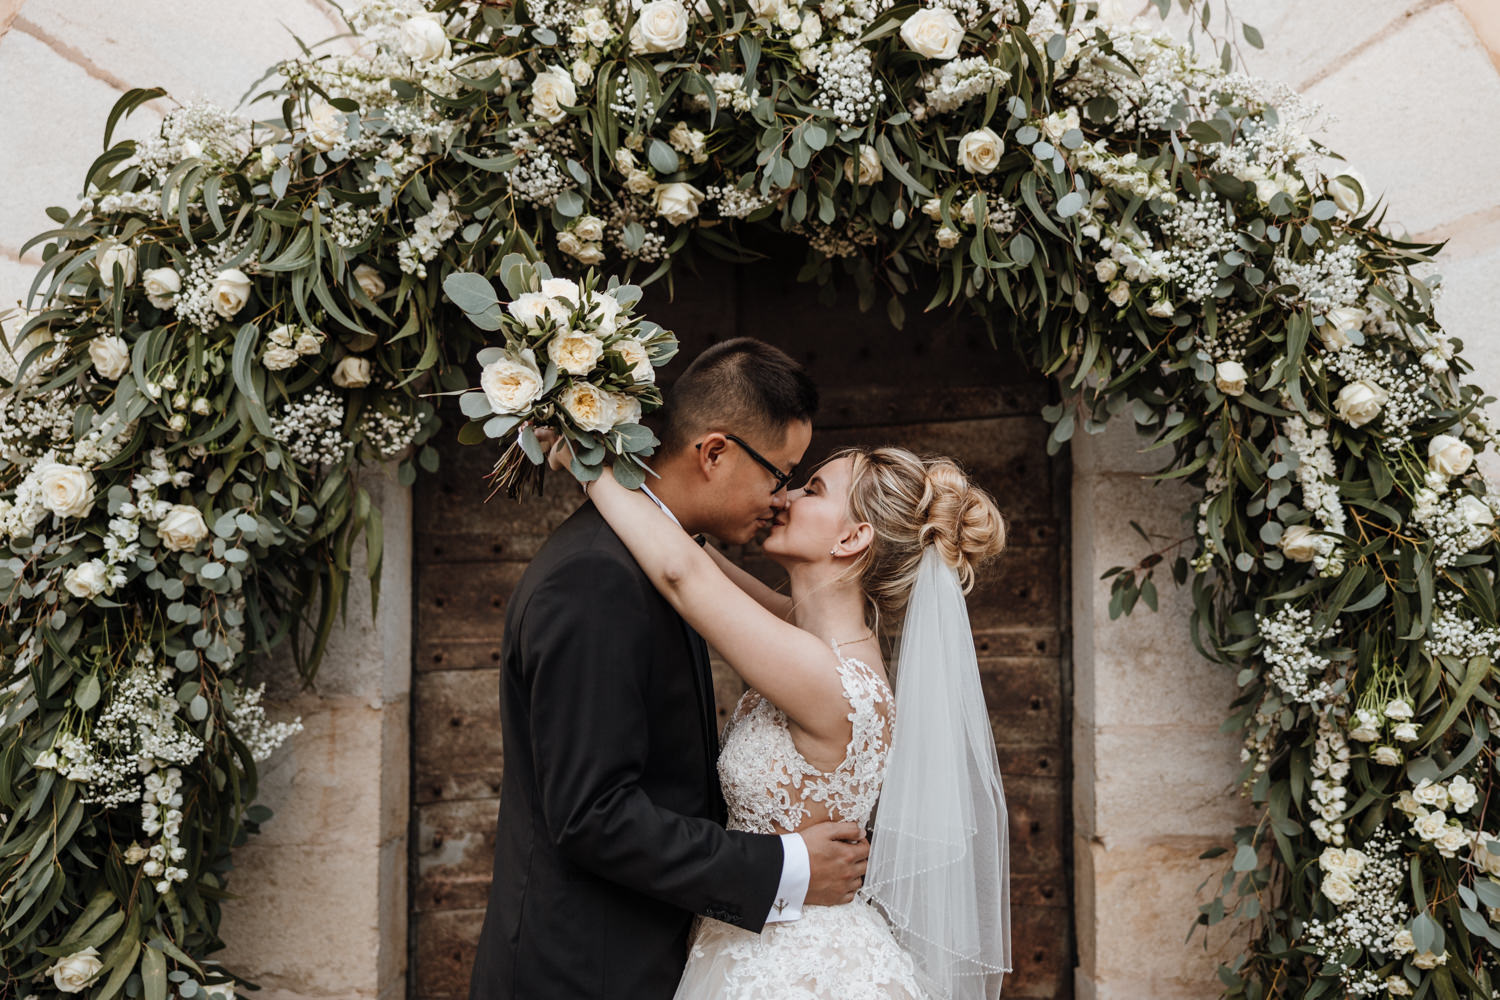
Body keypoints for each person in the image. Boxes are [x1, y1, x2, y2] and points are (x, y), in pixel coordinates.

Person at [468, 338, 871, 1000]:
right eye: (780, 474)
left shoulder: (662, 560)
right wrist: (786, 867)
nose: (782, 499)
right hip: (583, 974)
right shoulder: (597, 579)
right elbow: (592, 814)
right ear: (714, 453)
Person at [567, 438, 1015, 999]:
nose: (786, 495)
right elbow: (696, 555)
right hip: (752, 934)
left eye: (813, 489)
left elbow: (684, 575)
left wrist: (579, 458)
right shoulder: (819, 639)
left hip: (795, 966)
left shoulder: (825, 679)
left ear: (852, 537)